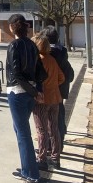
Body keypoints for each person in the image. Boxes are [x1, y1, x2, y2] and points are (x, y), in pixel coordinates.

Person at [6, 14, 47, 183]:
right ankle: (26, 168)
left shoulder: (14, 45)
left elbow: (16, 74)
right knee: (19, 130)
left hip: (18, 92)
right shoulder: (32, 45)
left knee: (23, 133)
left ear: (11, 27)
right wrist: (38, 90)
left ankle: (31, 172)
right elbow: (40, 71)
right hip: (30, 93)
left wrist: (34, 92)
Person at [32, 34, 65, 170]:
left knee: (42, 130)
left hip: (42, 100)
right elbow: (61, 77)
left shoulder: (38, 60)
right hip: (55, 98)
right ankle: (56, 158)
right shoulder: (52, 60)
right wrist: (53, 85)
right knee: (54, 128)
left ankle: (42, 158)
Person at [41, 25, 74, 147]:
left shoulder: (49, 53)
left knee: (50, 118)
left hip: (51, 88)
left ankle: (53, 143)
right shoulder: (62, 51)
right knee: (59, 112)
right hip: (62, 87)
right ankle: (60, 135)